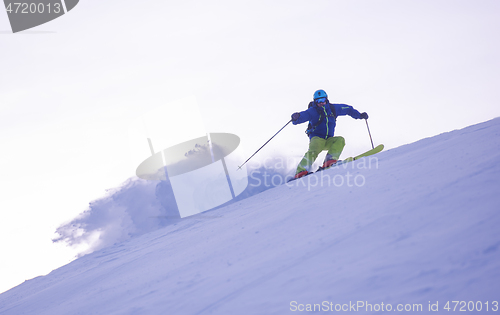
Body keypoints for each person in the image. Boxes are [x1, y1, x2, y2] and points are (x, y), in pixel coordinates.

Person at [291, 89, 369, 179]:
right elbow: (302, 116)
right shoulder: (313, 111)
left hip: (328, 139)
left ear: (326, 99)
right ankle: (301, 170)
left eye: (323, 100)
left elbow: (348, 109)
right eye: (318, 101)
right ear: (315, 102)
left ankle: (329, 161)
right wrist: (296, 117)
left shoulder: (333, 109)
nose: (321, 103)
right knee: (316, 147)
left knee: (340, 140)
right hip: (317, 138)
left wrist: (359, 115)